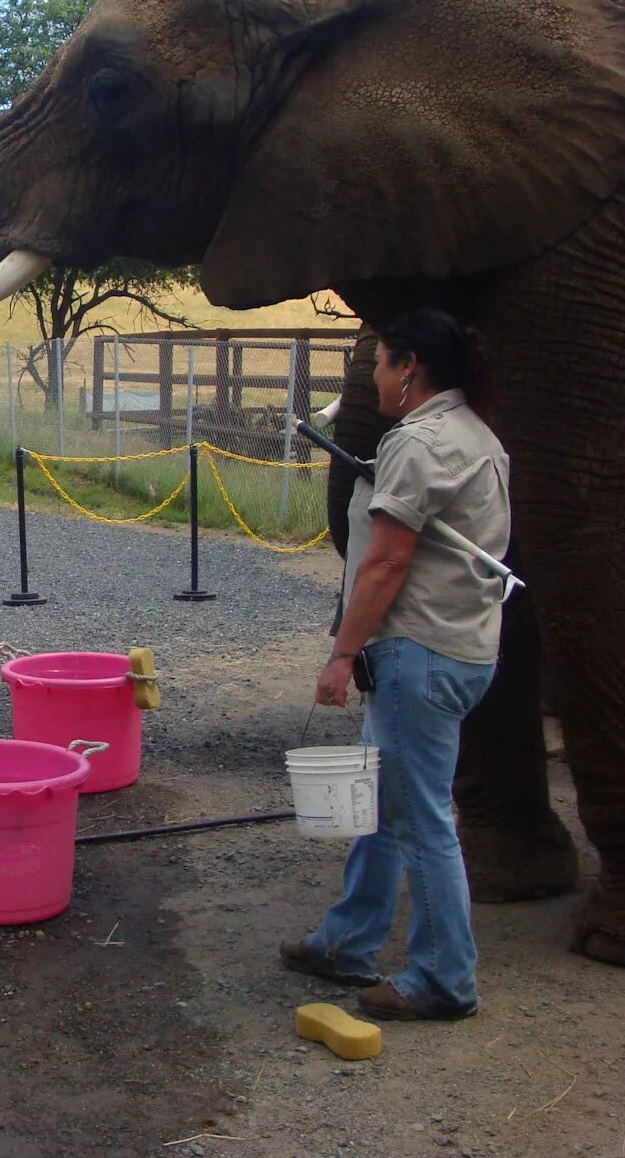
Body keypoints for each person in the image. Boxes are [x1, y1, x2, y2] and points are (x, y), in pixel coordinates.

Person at [280, 309, 511, 1021]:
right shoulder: (480, 436)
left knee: (420, 818)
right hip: (464, 649)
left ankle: (444, 978)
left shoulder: (420, 443)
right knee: (385, 804)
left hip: (420, 656)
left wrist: (342, 654)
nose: (374, 376)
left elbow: (385, 560)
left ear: (407, 367)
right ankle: (348, 940)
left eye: (378, 362)